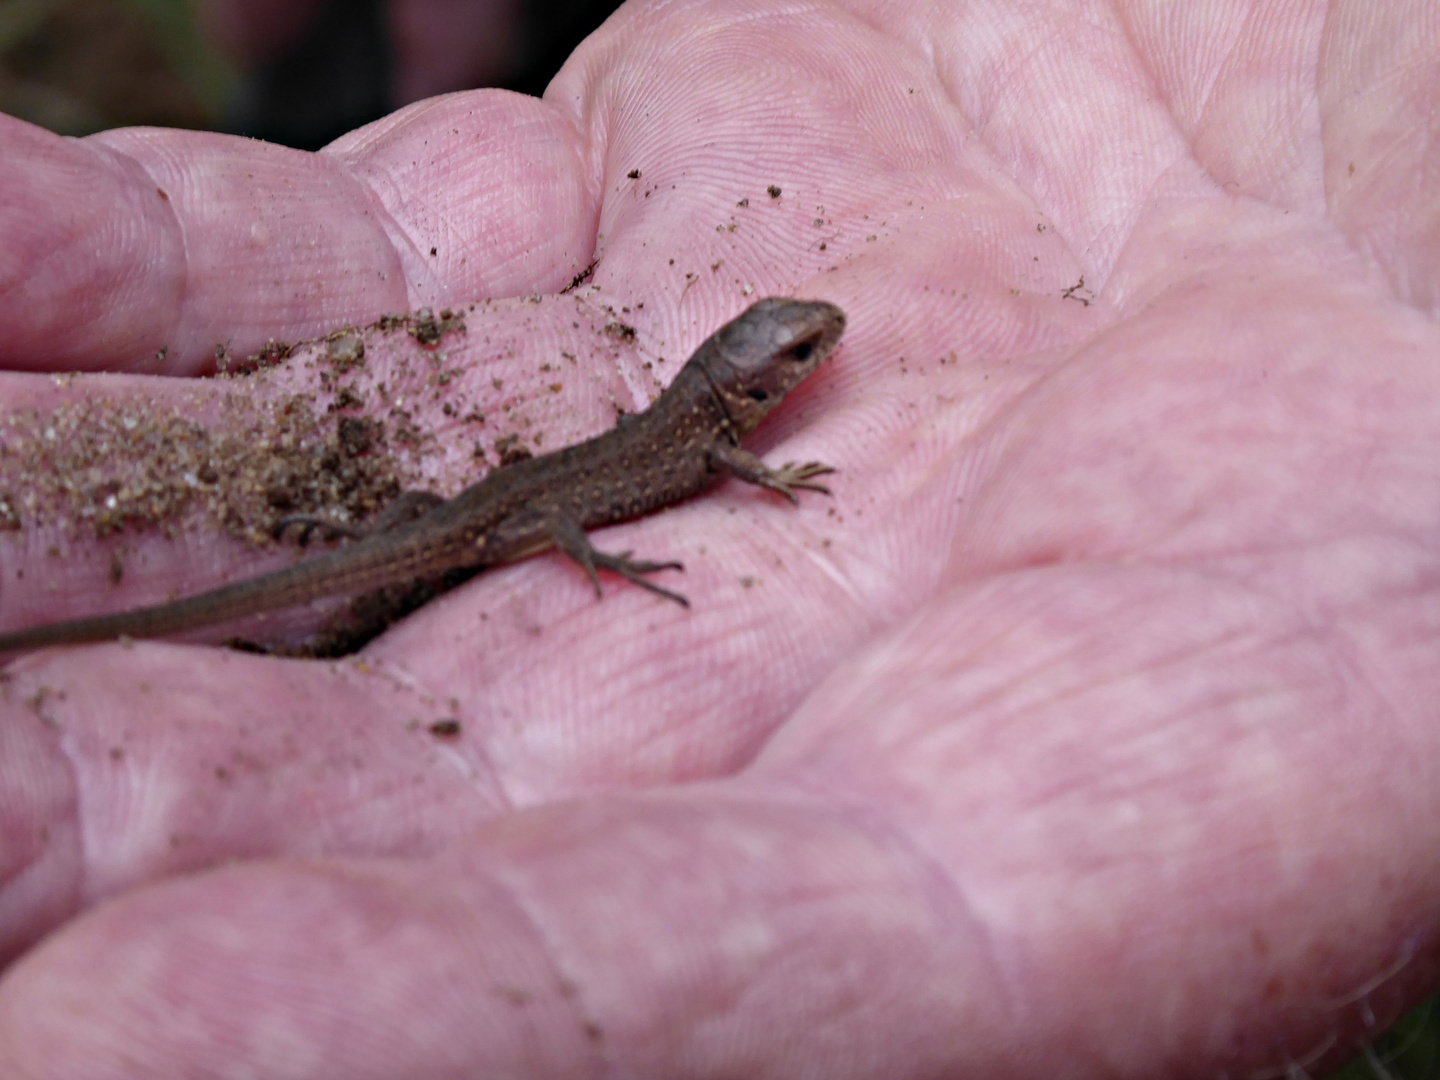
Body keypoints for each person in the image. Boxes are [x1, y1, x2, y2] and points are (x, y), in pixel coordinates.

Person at [1, 1, 1436, 1075]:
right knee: (427, 555)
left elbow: (709, 456)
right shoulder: (710, 437)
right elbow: (695, 473)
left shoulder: (701, 422)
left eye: (804, 343)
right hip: (526, 513)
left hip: (506, 503)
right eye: (802, 349)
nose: (821, 352)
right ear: (749, 380)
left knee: (417, 549)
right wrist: (613, 550)